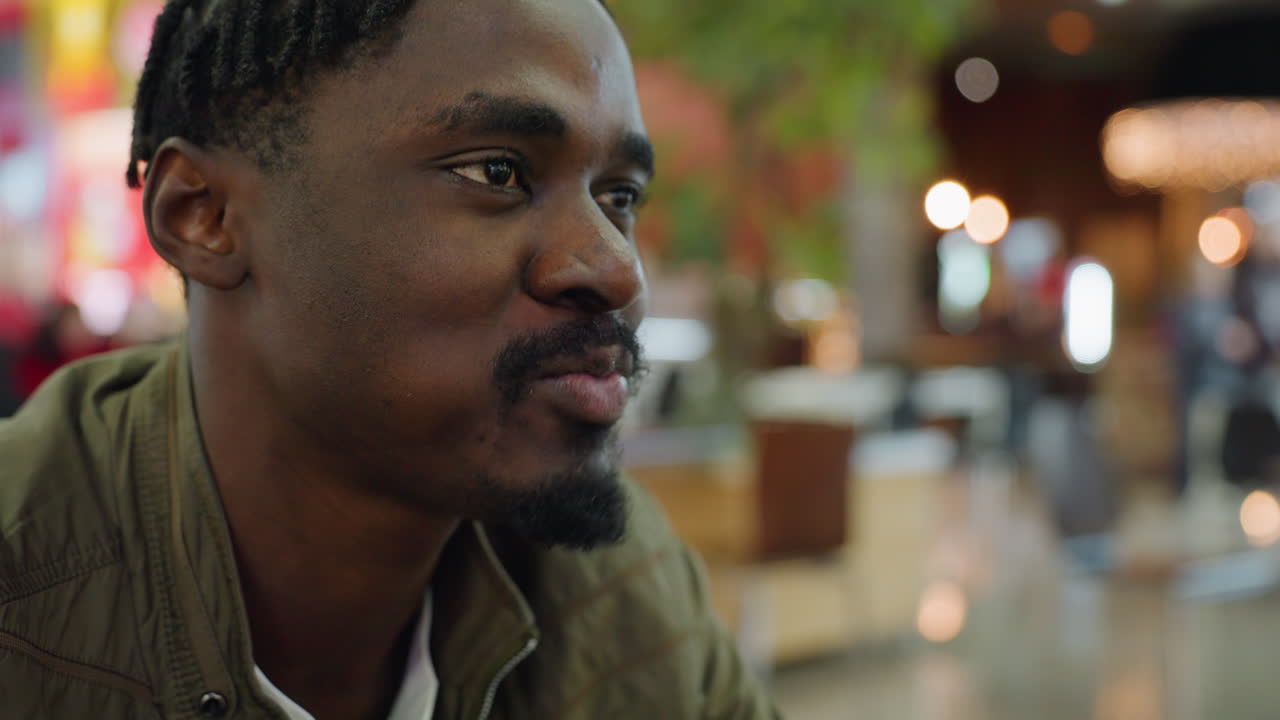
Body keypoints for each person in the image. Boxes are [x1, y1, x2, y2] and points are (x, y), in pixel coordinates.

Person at [0, 2, 779, 719]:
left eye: (620, 197)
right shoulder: (29, 604)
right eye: (497, 172)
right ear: (203, 215)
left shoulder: (614, 591)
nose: (618, 272)